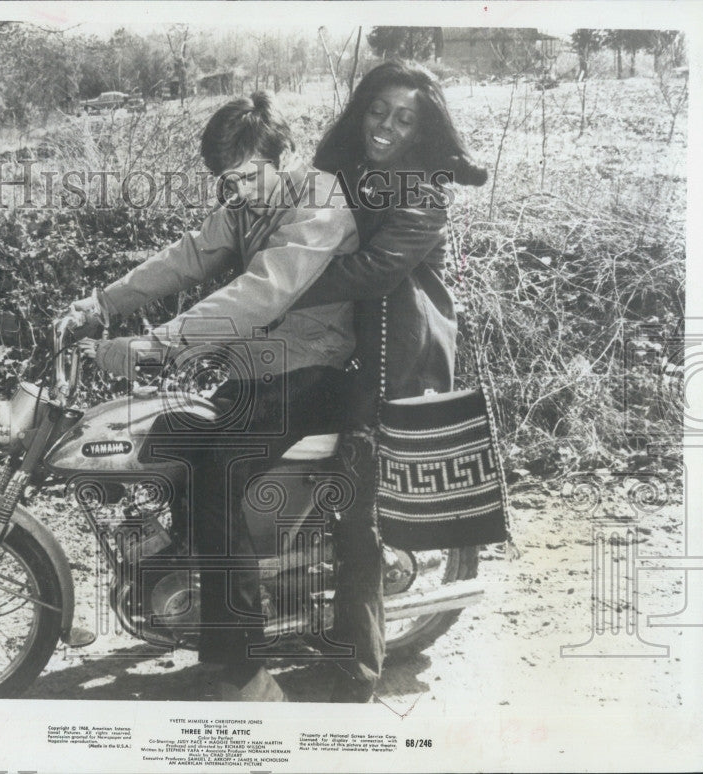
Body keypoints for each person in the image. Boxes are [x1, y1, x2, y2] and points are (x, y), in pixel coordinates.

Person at [67, 92, 360, 701]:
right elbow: (188, 257)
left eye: (248, 175)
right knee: (168, 438)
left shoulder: (321, 201)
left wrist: (157, 342)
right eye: (226, 179)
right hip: (261, 372)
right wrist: (101, 303)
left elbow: (261, 293)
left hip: (314, 371)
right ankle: (191, 596)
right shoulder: (243, 203)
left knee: (219, 472)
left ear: (286, 156)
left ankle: (244, 666)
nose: (237, 189)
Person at [291, 61, 489, 701]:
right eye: (378, 110)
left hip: (396, 356)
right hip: (340, 347)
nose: (386, 126)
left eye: (405, 118)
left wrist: (273, 292)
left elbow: (371, 272)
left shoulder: (427, 190)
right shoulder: (346, 171)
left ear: (423, 128)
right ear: (361, 109)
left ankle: (358, 670)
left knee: (357, 506)